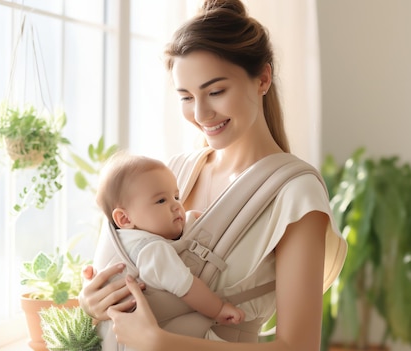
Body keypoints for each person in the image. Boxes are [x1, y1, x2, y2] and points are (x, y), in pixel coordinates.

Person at [80, 1, 347, 350]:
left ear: (262, 79)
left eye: (216, 92)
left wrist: (160, 343)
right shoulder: (174, 173)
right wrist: (93, 301)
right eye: (186, 97)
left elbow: (299, 346)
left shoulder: (295, 194)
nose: (201, 113)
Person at [93, 151, 246, 350]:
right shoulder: (153, 250)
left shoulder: (120, 239)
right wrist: (219, 309)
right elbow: (187, 287)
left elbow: (174, 235)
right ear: (125, 219)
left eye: (176, 196)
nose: (176, 206)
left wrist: (190, 219)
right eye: (161, 201)